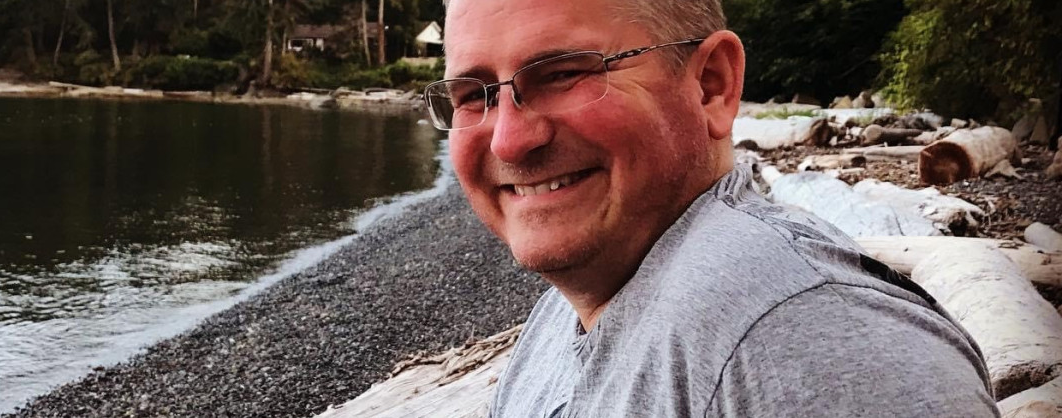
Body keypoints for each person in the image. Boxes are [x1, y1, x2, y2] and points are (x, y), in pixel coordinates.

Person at [422, 0, 999, 416]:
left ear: (712, 86)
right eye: (473, 95)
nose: (508, 141)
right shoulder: (578, 303)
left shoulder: (812, 340)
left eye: (564, 74)